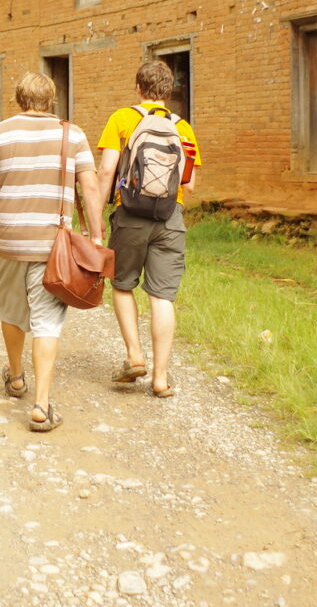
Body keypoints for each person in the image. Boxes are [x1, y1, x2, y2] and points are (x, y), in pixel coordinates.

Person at [0, 72, 104, 433]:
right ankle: (41, 405)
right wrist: (96, 237)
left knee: (10, 308)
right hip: (52, 245)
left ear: (20, 99)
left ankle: (17, 377)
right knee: (47, 321)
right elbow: (90, 186)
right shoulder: (75, 134)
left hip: (8, 240)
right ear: (51, 99)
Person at [94, 60, 203, 400]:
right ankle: (160, 378)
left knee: (123, 285)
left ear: (137, 88)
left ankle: (135, 356)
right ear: (168, 92)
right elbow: (191, 183)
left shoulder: (122, 119)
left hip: (130, 214)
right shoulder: (182, 127)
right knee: (163, 296)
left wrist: (96, 215)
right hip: (170, 217)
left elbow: (106, 170)